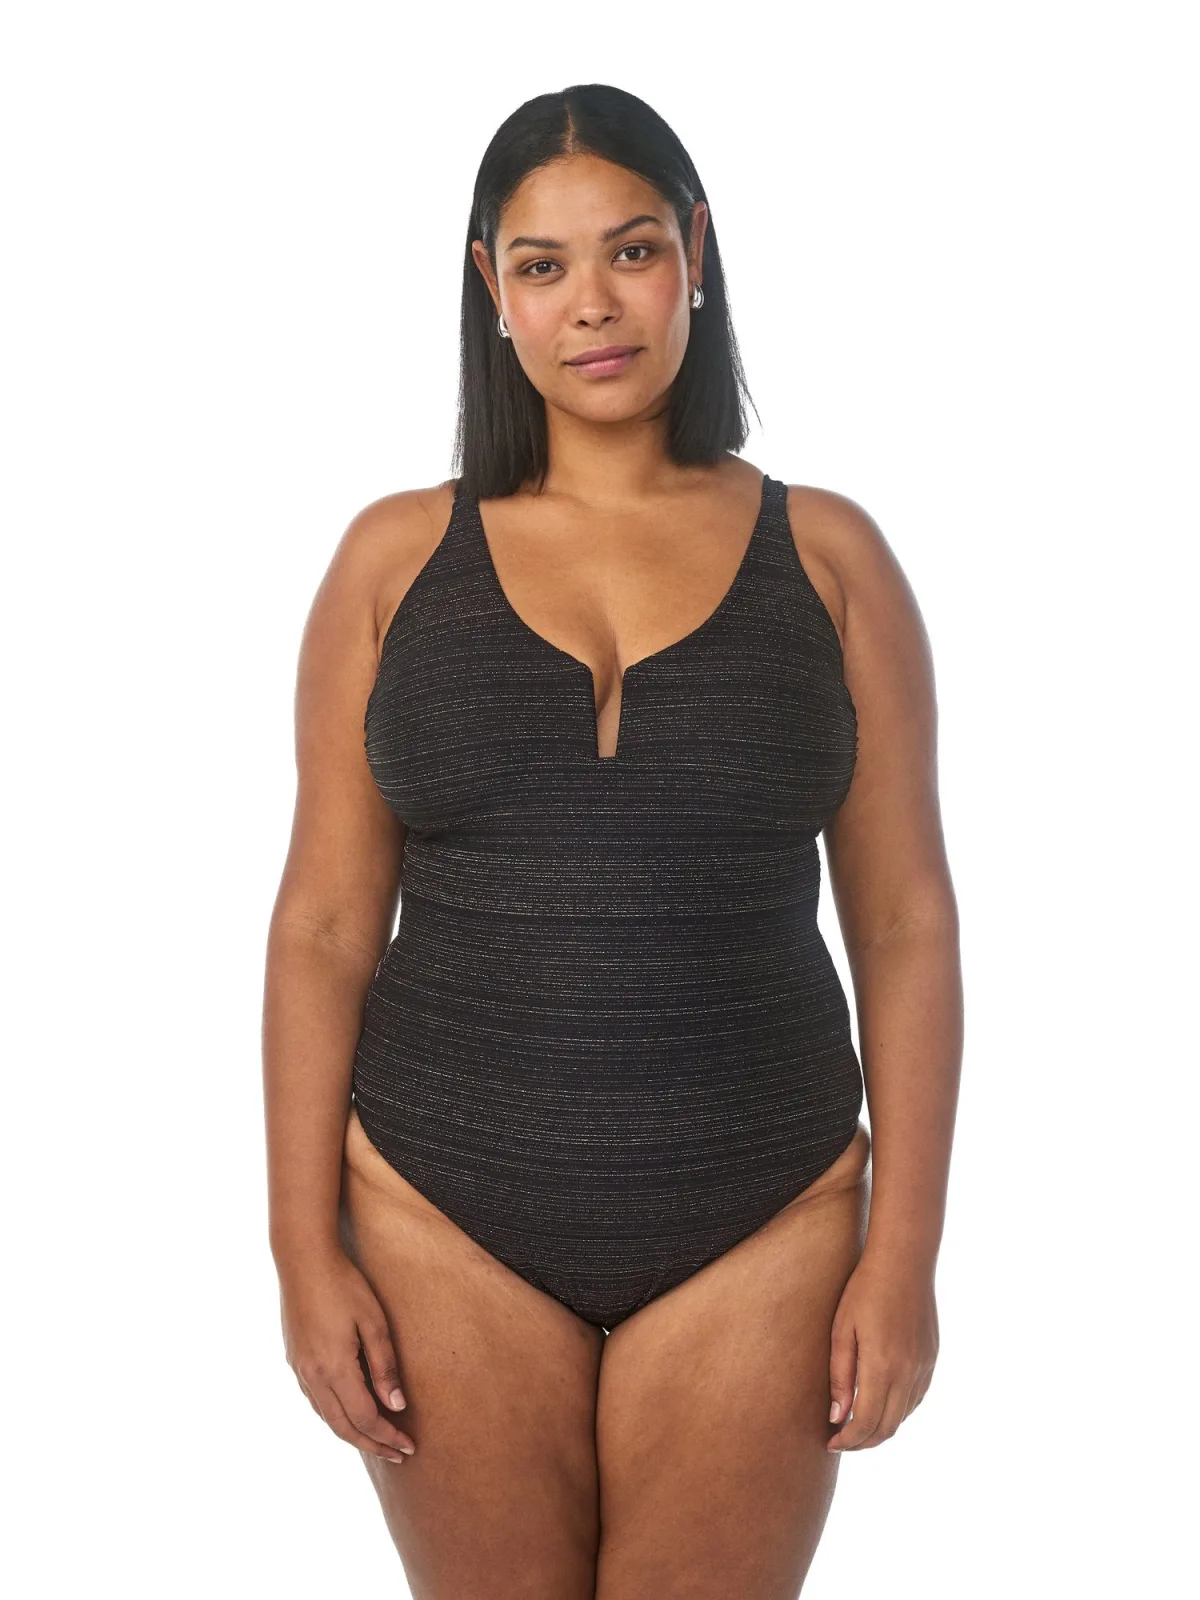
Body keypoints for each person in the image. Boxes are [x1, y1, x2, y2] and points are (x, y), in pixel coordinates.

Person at [263, 82, 962, 1599]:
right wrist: (301, 1251)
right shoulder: (393, 560)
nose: (592, 303)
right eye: (542, 265)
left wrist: (904, 1253)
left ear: (696, 253)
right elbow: (322, 926)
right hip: (438, 1211)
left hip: (764, 1216)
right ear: (489, 285)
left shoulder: (830, 559)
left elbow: (906, 920)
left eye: (632, 250)